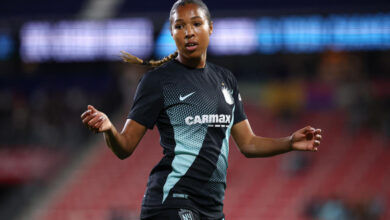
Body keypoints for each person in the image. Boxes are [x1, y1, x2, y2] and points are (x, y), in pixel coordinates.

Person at [81, 0, 322, 219]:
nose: (188, 32)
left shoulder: (225, 79)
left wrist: (289, 142)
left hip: (211, 209)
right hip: (171, 201)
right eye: (179, 26)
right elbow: (124, 147)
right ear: (172, 33)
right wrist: (109, 129)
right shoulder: (158, 82)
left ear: (210, 28)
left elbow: (248, 143)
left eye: (196, 23)